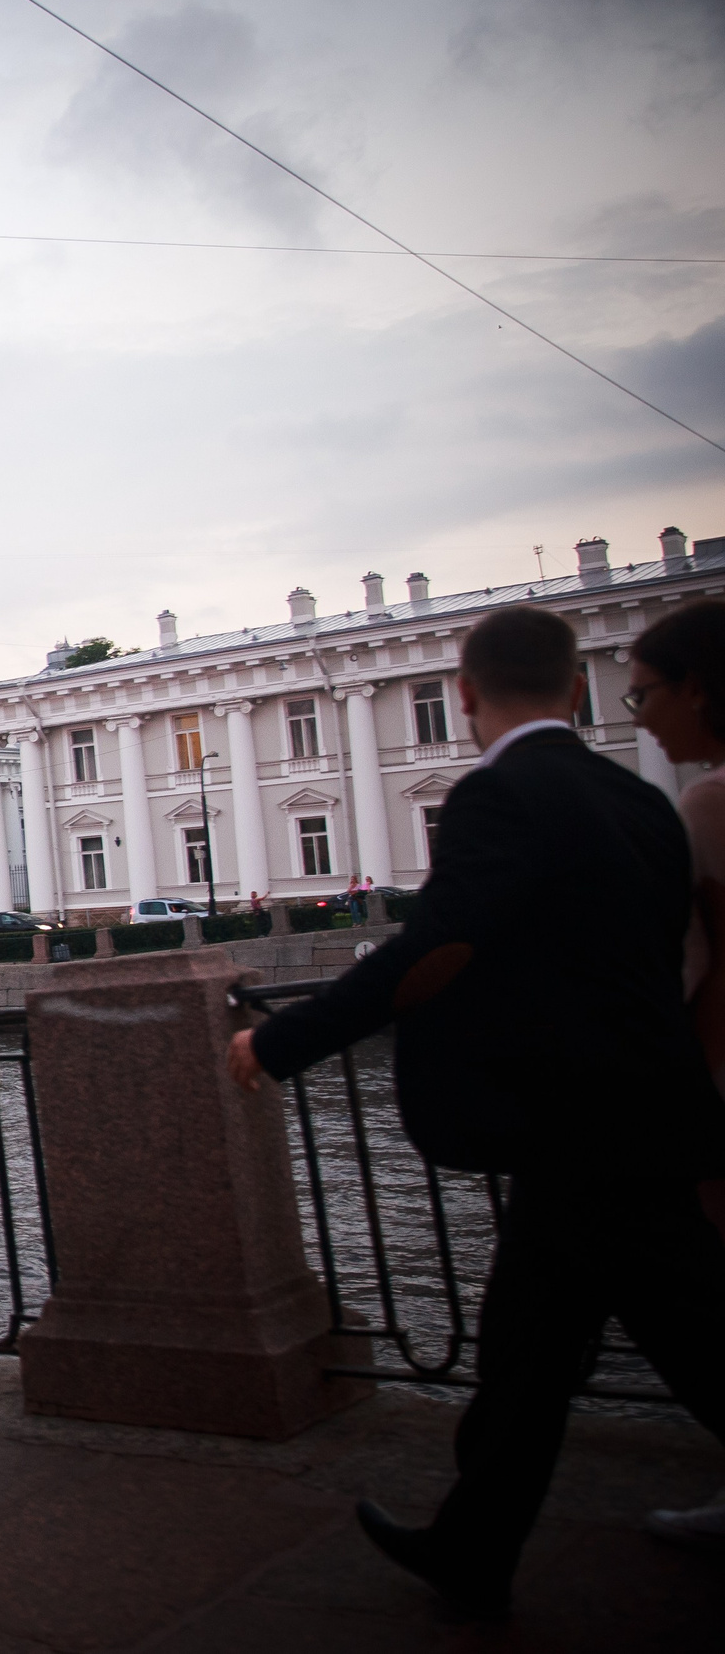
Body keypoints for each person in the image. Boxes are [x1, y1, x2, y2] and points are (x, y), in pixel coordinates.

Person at [228, 606, 725, 1618]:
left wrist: (276, 1043)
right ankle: (472, 1544)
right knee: (528, 1349)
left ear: (462, 693)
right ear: (576, 688)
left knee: (682, 1342)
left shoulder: (500, 795)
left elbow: (433, 949)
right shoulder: (636, 798)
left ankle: (474, 1544)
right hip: (641, 1115)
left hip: (582, 1126)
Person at [622, 600, 725, 1546]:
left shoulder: (706, 802)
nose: (639, 715)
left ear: (699, 689)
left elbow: (699, 968)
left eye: (644, 693)